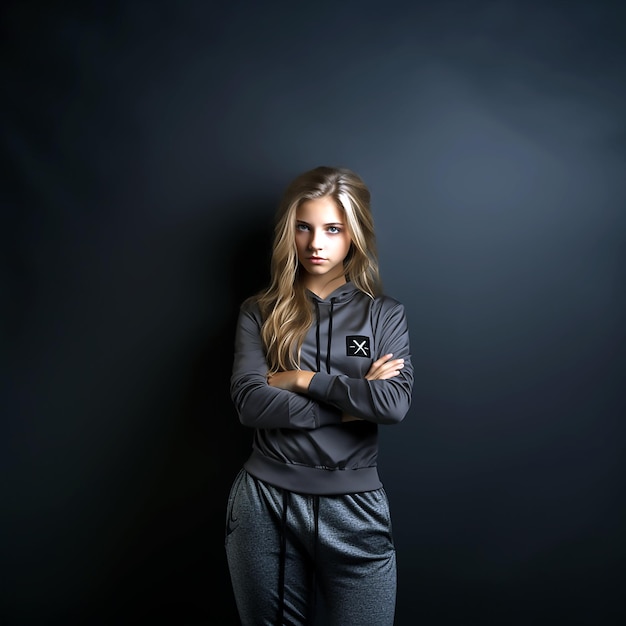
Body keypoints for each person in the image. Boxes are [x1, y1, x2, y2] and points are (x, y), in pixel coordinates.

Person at [225, 165, 414, 625]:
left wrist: (299, 379)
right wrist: (352, 404)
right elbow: (250, 404)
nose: (316, 243)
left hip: (356, 509)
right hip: (265, 504)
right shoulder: (259, 312)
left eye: (333, 229)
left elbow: (391, 405)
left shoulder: (384, 315)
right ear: (288, 231)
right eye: (303, 227)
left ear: (355, 234)